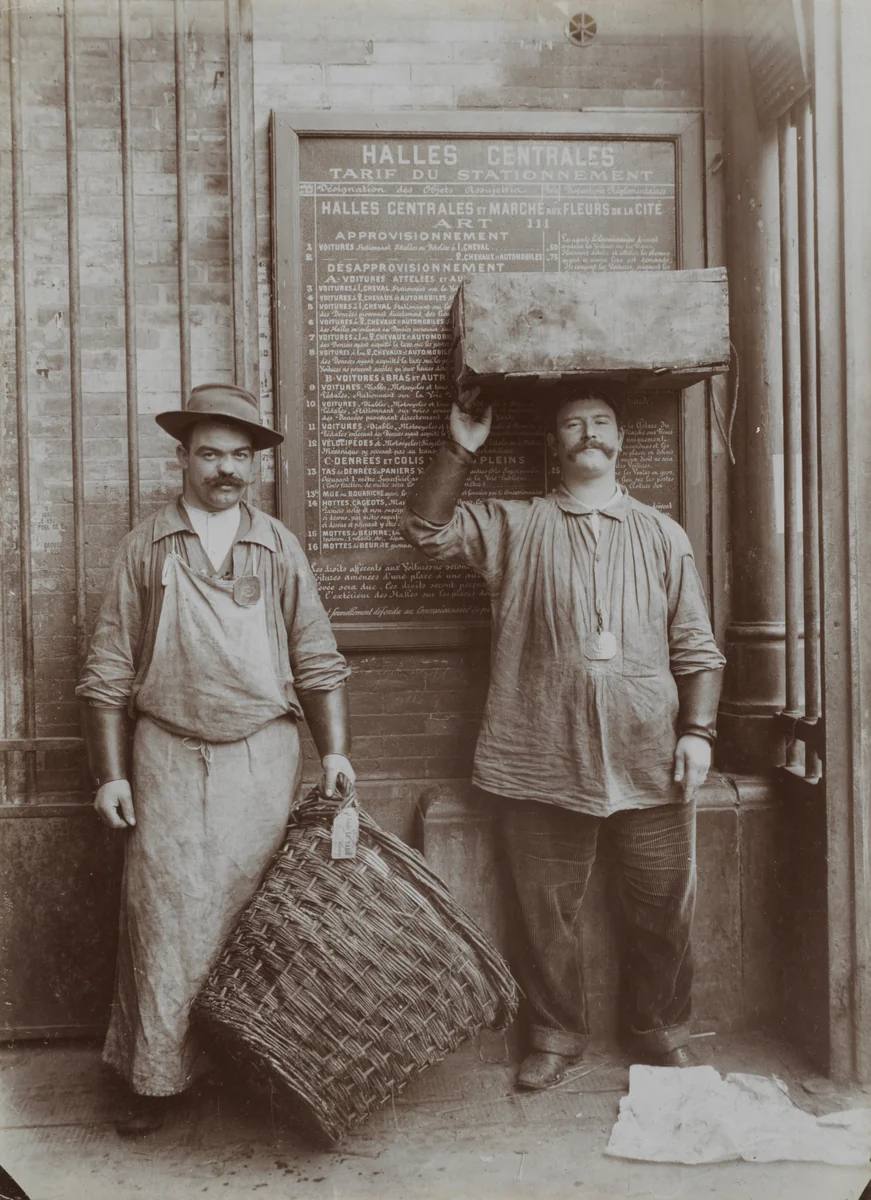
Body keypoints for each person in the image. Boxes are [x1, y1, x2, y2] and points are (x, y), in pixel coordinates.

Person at [400, 387, 725, 1091]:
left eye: (602, 422)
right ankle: (554, 1036)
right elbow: (427, 530)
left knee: (662, 909)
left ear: (619, 443)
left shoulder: (662, 534)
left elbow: (696, 647)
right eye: (573, 424)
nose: (588, 433)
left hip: (649, 758)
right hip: (538, 753)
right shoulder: (516, 524)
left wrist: (696, 732)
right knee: (545, 916)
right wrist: (461, 445)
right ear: (554, 445)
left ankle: (662, 1032)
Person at [77, 383, 354, 1135]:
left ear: (254, 464)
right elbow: (106, 670)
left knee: (257, 922)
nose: (225, 469)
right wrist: (111, 775)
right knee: (163, 920)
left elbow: (318, 659)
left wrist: (334, 755)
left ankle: (250, 1073)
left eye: (239, 456)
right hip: (165, 753)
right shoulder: (147, 546)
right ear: (183, 459)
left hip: (263, 757)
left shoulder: (277, 546)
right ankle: (154, 1080)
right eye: (209, 454)